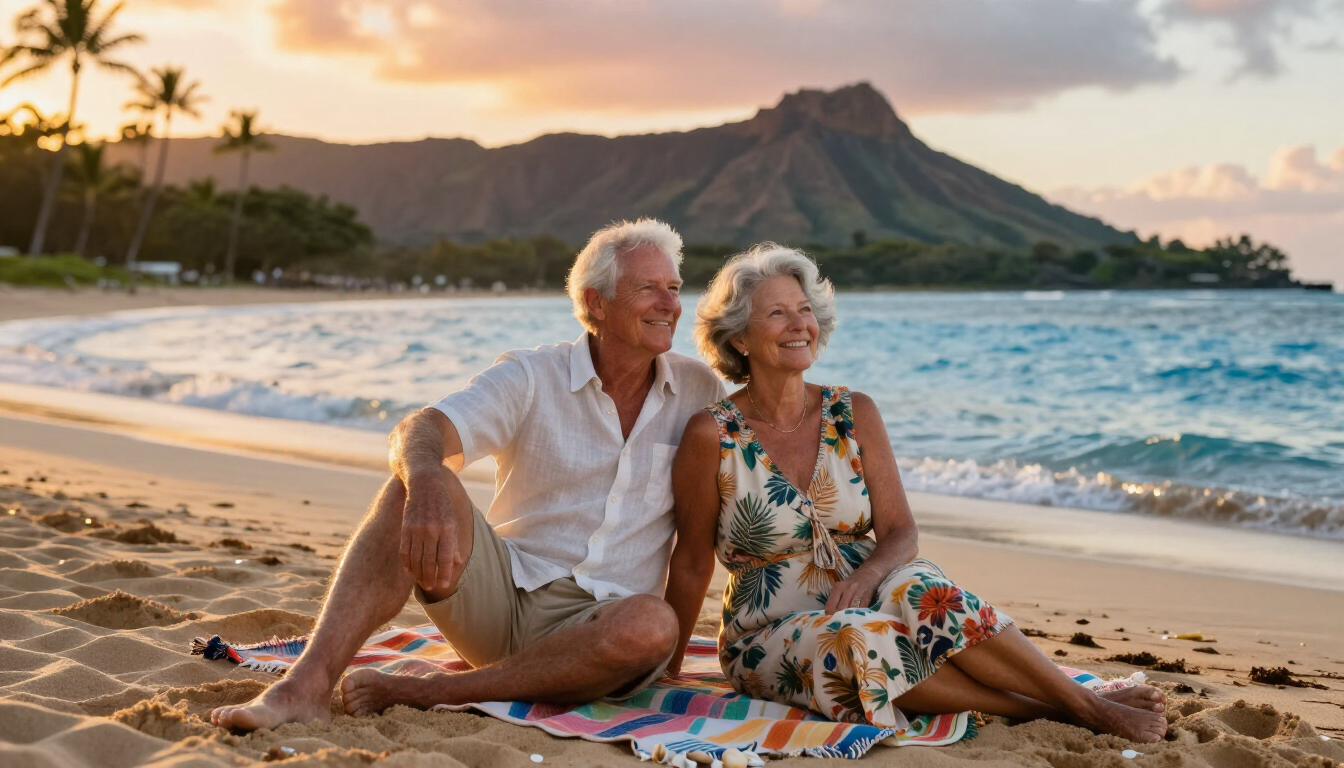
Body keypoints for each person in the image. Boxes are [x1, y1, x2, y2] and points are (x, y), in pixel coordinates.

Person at [211, 219, 726, 730]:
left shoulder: (700, 391)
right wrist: (428, 481)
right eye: (648, 288)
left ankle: (435, 691)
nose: (670, 304)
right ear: (596, 303)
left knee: (654, 624)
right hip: (501, 599)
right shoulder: (532, 375)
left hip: (605, 631)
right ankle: (305, 685)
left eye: (675, 289)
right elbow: (422, 427)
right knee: (409, 486)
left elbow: (752, 473)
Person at [663, 244, 1169, 743]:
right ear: (739, 338)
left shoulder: (853, 410)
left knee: (925, 588)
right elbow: (689, 562)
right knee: (859, 635)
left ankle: (1081, 702)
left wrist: (868, 576)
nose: (800, 324)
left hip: (873, 590)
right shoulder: (712, 435)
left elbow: (902, 533)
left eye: (805, 310)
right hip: (772, 631)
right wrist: (669, 666)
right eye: (777, 312)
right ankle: (1062, 708)